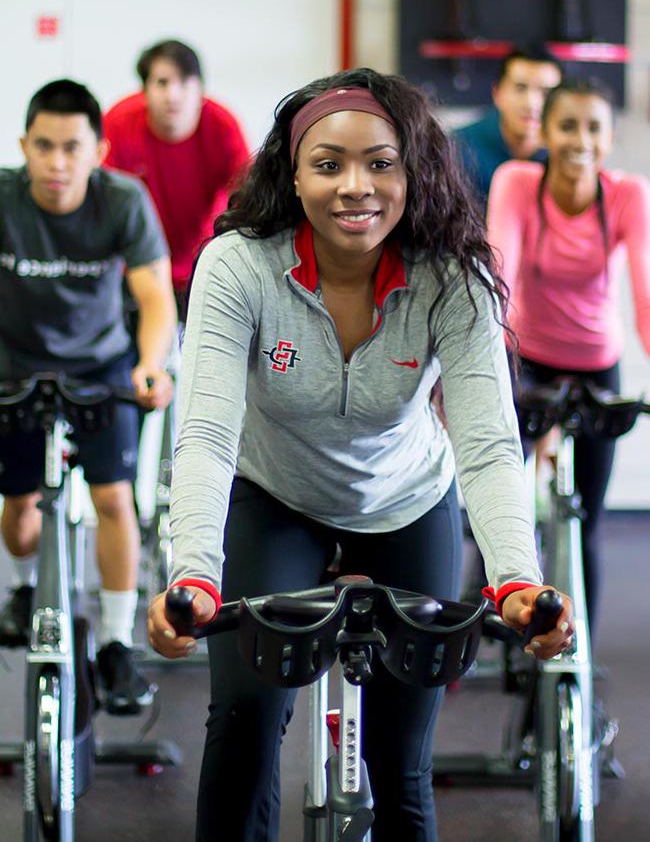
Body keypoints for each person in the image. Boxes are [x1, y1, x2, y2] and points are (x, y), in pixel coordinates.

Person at [147, 68, 573, 841]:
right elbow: (207, 432)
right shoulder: (239, 265)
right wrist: (193, 575)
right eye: (329, 164)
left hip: (407, 500)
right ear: (294, 174)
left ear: (414, 172)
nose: (356, 186)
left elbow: (484, 444)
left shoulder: (455, 279)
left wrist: (517, 577)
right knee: (243, 725)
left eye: (381, 163)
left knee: (401, 760)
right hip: (274, 495)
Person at [0, 79, 177, 714]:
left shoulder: (122, 201)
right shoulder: (4, 197)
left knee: (112, 500)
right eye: (43, 147)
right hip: (13, 367)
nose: (57, 163)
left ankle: (114, 644)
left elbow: (155, 297)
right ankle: (23, 587)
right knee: (20, 514)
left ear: (98, 150)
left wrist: (152, 365)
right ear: (24, 145)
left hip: (102, 367)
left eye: (72, 148)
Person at [487, 77, 650, 637]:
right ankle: (476, 624)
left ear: (608, 138)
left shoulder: (629, 195)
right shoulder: (517, 182)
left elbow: (647, 295)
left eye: (593, 127)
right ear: (545, 133)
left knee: (588, 517)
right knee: (499, 498)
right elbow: (498, 276)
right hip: (529, 357)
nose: (580, 139)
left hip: (598, 363)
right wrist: (482, 362)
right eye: (567, 125)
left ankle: (577, 652)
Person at [103, 39, 249, 305]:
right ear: (144, 90)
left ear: (201, 88)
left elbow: (241, 200)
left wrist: (207, 258)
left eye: (185, 82)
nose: (173, 95)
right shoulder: (117, 123)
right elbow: (105, 201)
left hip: (206, 267)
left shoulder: (223, 126)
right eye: (162, 82)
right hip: (134, 272)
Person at [455, 45, 563, 213]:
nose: (532, 104)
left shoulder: (565, 153)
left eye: (546, 93)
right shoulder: (457, 149)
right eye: (520, 88)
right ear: (497, 93)